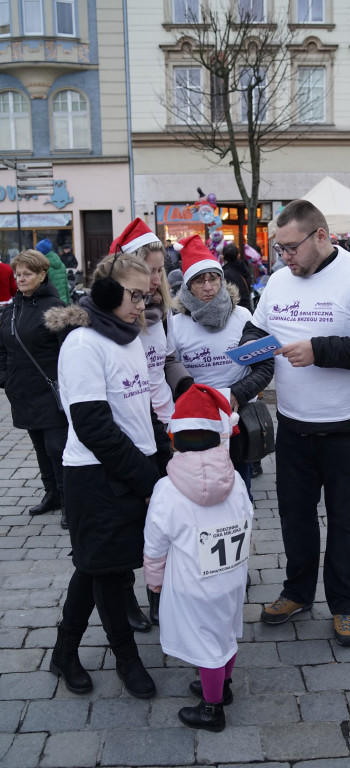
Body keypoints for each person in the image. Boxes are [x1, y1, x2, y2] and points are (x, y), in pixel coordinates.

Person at [240, 199, 350, 646]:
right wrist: (248, 355)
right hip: (294, 424)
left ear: (321, 236)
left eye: (291, 248)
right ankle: (296, 593)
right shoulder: (278, 281)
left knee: (346, 518)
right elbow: (256, 330)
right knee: (294, 515)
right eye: (279, 249)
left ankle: (345, 604)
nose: (284, 257)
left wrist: (319, 350)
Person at [45, 251, 171, 699]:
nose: (142, 304)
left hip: (132, 470)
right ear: (106, 292)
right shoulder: (83, 344)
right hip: (96, 478)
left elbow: (141, 408)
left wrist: (163, 456)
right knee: (111, 573)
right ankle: (126, 660)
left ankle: (63, 651)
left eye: (147, 294)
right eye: (135, 295)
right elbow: (94, 428)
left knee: (95, 566)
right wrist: (147, 480)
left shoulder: (128, 337)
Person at [144, 383, 254, 732]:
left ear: (174, 439)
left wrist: (155, 581)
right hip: (231, 576)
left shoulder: (166, 490)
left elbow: (155, 543)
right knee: (225, 634)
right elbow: (248, 518)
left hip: (193, 583)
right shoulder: (234, 479)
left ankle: (211, 709)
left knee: (208, 645)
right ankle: (222, 685)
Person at [109, 218, 193, 628]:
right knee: (129, 516)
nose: (160, 277)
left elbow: (169, 360)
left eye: (162, 268)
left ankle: (160, 593)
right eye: (153, 269)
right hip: (128, 426)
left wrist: (187, 389)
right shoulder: (117, 317)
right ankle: (125, 596)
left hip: (164, 423)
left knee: (166, 513)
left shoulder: (162, 311)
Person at [171, 234, 273, 498]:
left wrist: (238, 393)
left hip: (237, 420)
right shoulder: (176, 324)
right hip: (196, 420)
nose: (208, 287)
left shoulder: (242, 317)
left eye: (213, 278)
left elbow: (263, 367)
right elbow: (169, 370)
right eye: (199, 281)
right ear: (187, 286)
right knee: (200, 491)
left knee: (240, 490)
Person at [0, 250, 68, 528]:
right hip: (22, 391)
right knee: (39, 447)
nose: (21, 278)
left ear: (42, 275)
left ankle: (69, 501)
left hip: (50, 390)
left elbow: (69, 352)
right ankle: (52, 494)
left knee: (57, 448)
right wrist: (5, 377)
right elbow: (3, 348)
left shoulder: (56, 308)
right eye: (18, 274)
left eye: (28, 273)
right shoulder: (12, 308)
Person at [35, 239, 70, 305]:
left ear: (41, 252)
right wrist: (68, 304)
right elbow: (66, 286)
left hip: (49, 303)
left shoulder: (43, 266)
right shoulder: (61, 264)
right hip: (62, 301)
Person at [222, 243, 253, 311]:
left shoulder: (224, 275)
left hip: (235, 311)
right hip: (247, 310)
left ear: (223, 257)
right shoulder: (244, 270)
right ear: (238, 256)